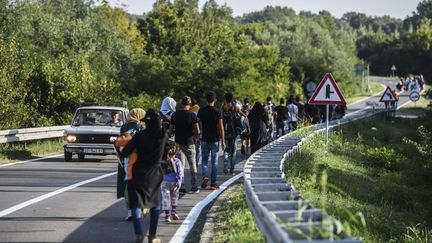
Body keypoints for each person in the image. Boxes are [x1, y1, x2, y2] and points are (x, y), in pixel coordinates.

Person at [120, 109, 167, 243]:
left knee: (136, 204)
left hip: (138, 174)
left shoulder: (140, 136)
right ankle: (152, 235)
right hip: (155, 174)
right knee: (155, 205)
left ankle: (139, 234)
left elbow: (125, 152)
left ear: (146, 122)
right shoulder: (163, 136)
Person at [115, 108, 146, 221]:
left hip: (126, 159)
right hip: (138, 159)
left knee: (128, 186)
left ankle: (129, 212)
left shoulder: (124, 127)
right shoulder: (141, 128)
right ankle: (138, 209)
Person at [169, 96, 200, 193]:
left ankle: (181, 186)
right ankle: (194, 186)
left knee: (180, 165)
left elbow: (170, 130)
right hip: (190, 142)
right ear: (190, 104)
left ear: (182, 104)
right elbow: (197, 130)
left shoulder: (175, 115)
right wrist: (196, 137)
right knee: (192, 164)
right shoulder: (192, 115)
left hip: (178, 143)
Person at [197, 91, 225, 190]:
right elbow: (221, 127)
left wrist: (198, 136)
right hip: (215, 139)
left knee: (204, 160)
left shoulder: (201, 111)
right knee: (214, 162)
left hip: (204, 139)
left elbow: (198, 125)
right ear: (215, 100)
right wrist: (223, 140)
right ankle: (213, 183)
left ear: (206, 100)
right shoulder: (217, 111)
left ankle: (205, 176)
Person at [160, 140, 183, 223]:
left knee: (165, 198)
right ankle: (173, 211)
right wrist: (179, 182)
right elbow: (180, 173)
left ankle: (167, 216)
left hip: (164, 182)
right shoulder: (177, 161)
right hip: (174, 182)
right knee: (174, 197)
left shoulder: (161, 161)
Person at [221, 92, 241, 175]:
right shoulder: (234, 107)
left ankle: (225, 163)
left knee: (226, 150)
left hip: (225, 131)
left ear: (225, 98)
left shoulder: (223, 106)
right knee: (233, 151)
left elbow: (221, 117)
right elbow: (241, 114)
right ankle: (232, 169)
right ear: (232, 98)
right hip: (233, 132)